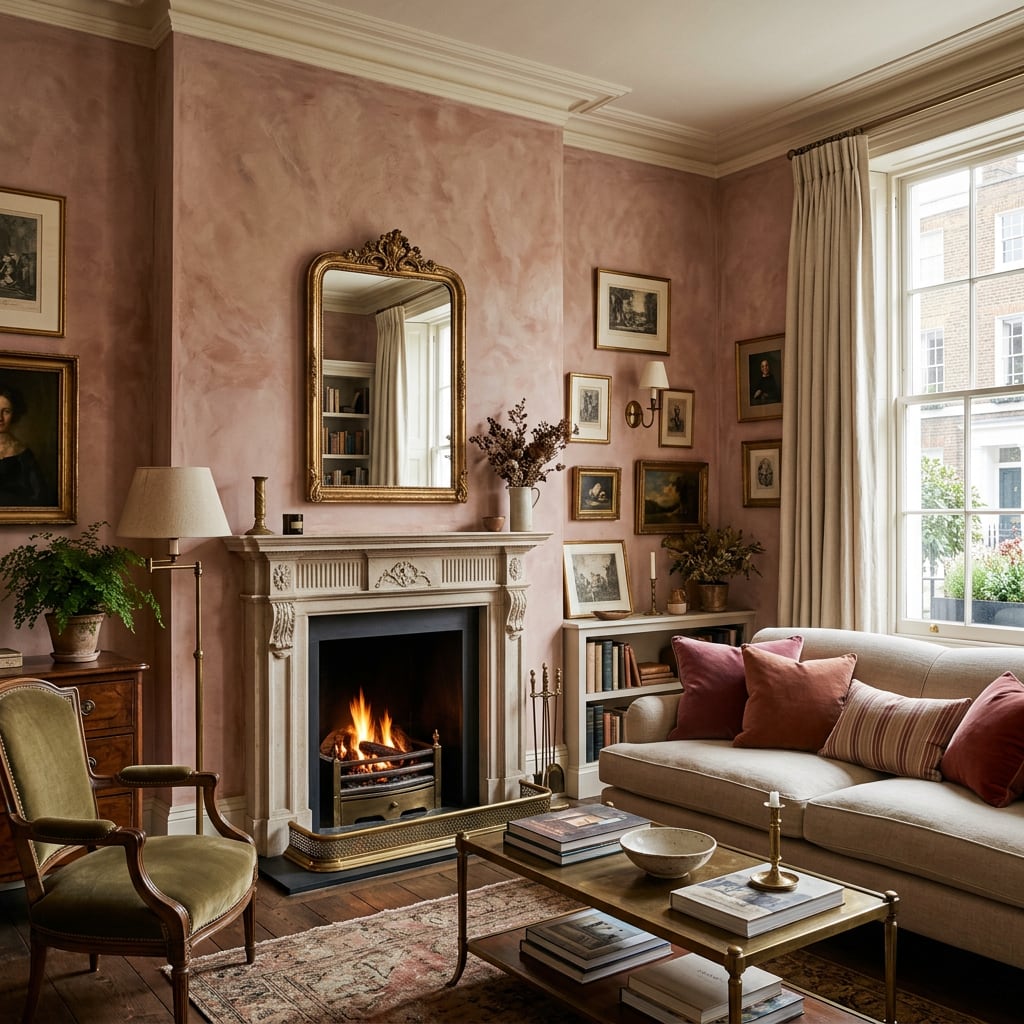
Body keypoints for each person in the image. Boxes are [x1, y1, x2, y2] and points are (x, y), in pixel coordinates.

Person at [0, 384, 46, 505]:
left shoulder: (23, 454)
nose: (0, 418)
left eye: (6, 411)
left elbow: (39, 496)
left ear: (14, 414)